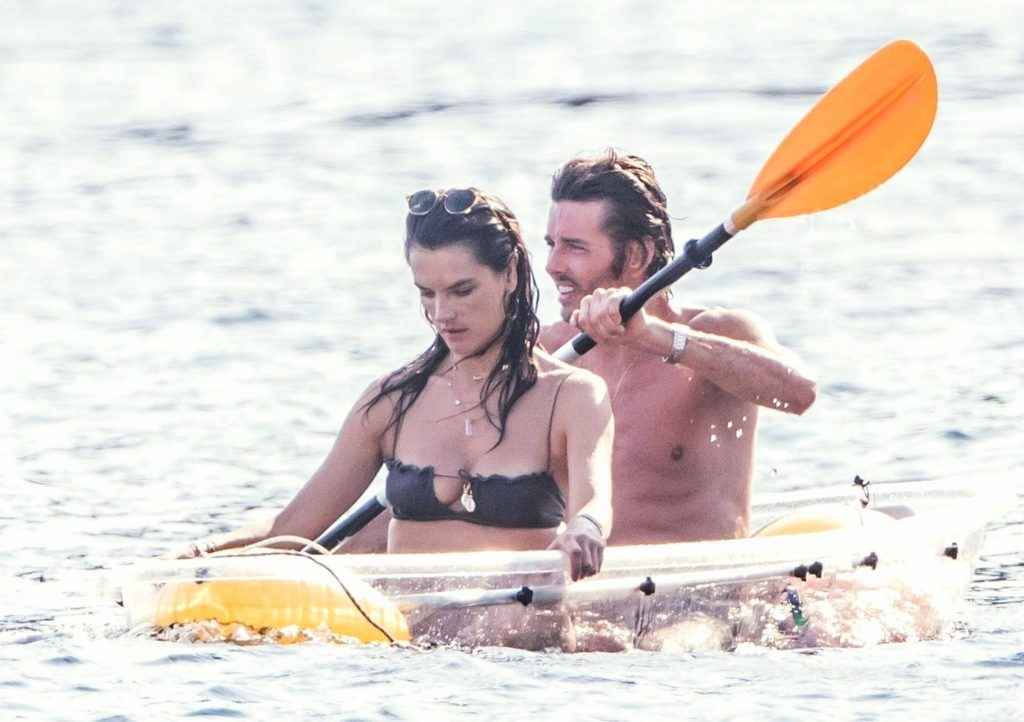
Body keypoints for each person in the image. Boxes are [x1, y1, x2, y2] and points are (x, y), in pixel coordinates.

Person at [180, 188, 613, 581]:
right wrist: (197, 555)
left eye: (462, 290)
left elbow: (594, 503)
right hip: (407, 640)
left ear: (511, 274)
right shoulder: (390, 402)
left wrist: (585, 528)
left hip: (525, 636)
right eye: (427, 293)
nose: (442, 313)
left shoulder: (572, 396)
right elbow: (291, 528)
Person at [540, 150, 817, 544]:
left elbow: (801, 393)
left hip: (699, 581)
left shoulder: (718, 332)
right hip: (588, 582)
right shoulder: (547, 352)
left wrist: (654, 337)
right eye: (551, 244)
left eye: (574, 247)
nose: (552, 265)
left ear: (637, 255)